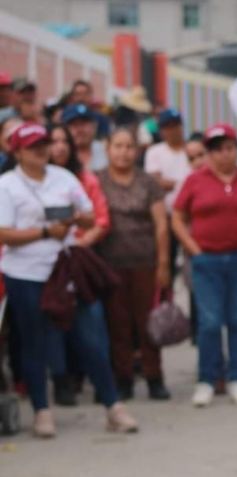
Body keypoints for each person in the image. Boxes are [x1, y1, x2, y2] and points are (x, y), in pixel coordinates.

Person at [0, 123, 137, 437]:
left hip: (65, 269)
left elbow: (91, 215)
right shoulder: (7, 185)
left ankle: (113, 406)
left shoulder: (63, 177)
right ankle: (41, 410)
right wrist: (45, 231)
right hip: (26, 273)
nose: (41, 150)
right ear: (17, 151)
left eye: (44, 144)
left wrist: (73, 218)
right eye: (33, 145)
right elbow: (3, 232)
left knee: (91, 338)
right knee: (34, 342)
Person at [172, 123, 237, 408]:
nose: (224, 155)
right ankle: (207, 378)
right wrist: (193, 249)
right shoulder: (195, 180)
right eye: (217, 150)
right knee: (210, 322)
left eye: (229, 148)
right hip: (206, 260)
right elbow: (178, 217)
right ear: (208, 153)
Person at [96, 128, 171, 401]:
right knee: (118, 324)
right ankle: (123, 379)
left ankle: (154, 377)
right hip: (110, 264)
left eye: (129, 146)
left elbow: (161, 223)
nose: (123, 152)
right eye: (118, 146)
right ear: (107, 149)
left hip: (145, 262)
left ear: (137, 150)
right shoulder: (98, 179)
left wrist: (163, 263)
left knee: (147, 323)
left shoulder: (147, 182)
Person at [46, 123, 111, 405]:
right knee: (54, 323)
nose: (59, 146)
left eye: (64, 141)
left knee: (92, 323)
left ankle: (104, 384)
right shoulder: (27, 181)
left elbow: (98, 219)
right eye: (53, 140)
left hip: (80, 258)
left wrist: (78, 244)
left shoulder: (82, 178)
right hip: (44, 262)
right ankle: (63, 381)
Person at [144, 109, 192, 283]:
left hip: (191, 219)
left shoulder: (191, 149)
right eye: (167, 127)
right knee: (166, 268)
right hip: (165, 218)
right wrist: (184, 183)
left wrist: (173, 183)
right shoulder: (155, 152)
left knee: (192, 269)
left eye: (175, 125)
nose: (172, 130)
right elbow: (155, 182)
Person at [62, 103, 108, 171]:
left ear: (94, 126)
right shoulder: (60, 154)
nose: (80, 130)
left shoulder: (106, 151)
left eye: (84, 124)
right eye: (74, 125)